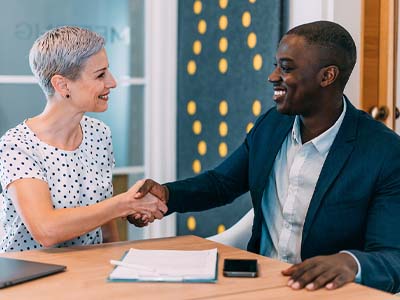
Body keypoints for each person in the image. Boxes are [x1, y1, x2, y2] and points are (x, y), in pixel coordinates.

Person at [129, 21, 400, 293]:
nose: (272, 77)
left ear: (327, 76)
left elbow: (392, 258)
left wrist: (350, 262)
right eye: (275, 65)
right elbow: (222, 183)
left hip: (328, 294)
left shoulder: (384, 152)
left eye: (286, 68)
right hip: (259, 287)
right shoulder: (272, 125)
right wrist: (166, 194)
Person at [0, 26, 167, 252]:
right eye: (100, 75)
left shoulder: (99, 134)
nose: (112, 82)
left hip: (86, 272)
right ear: (62, 85)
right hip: (28, 277)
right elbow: (46, 230)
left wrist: (117, 264)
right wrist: (124, 203)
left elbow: (104, 223)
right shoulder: (17, 146)